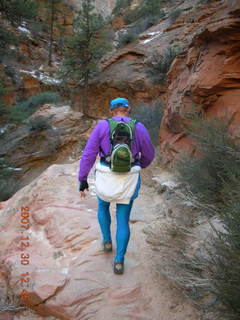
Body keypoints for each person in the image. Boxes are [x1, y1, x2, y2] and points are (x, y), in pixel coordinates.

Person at [78, 97, 155, 274]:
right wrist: (138, 165)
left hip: (106, 175)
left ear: (112, 111)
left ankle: (106, 241)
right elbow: (149, 155)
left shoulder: (102, 126)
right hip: (129, 178)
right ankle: (119, 261)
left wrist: (83, 178)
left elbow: (89, 154)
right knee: (123, 219)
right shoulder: (139, 127)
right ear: (128, 109)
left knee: (103, 206)